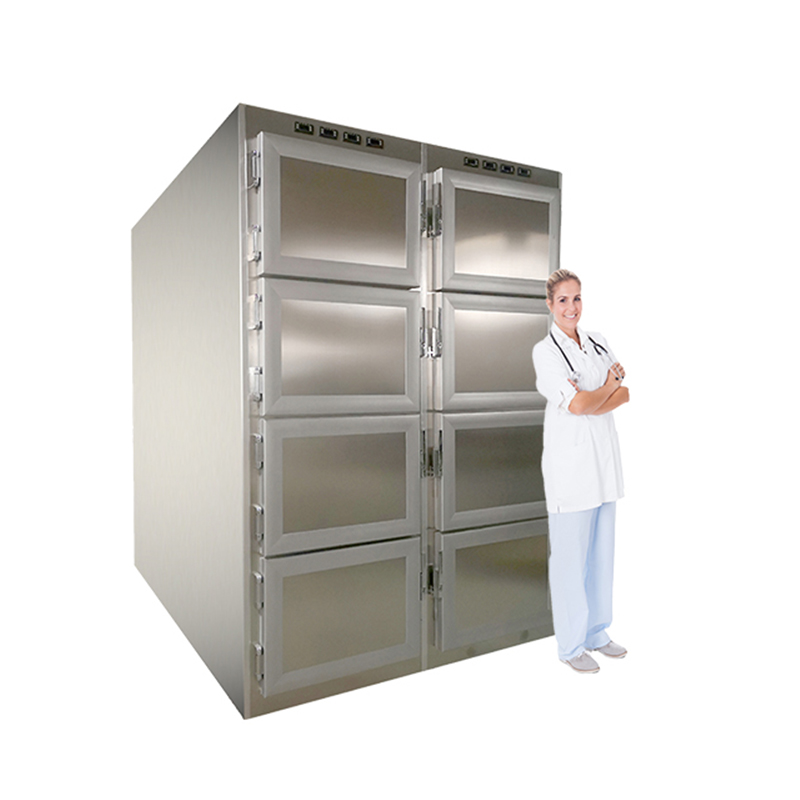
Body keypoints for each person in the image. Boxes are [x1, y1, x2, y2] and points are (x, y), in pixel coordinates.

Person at [532, 269, 629, 674]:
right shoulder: (545, 352)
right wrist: (605, 388)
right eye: (563, 300)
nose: (572, 307)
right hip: (570, 472)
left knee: (601, 556)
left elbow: (625, 393)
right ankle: (571, 645)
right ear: (550, 305)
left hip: (603, 465)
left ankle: (596, 632)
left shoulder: (598, 341)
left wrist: (597, 394)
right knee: (570, 562)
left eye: (577, 298)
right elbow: (576, 405)